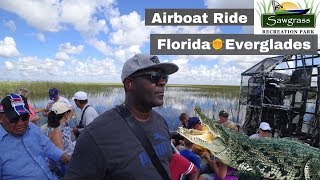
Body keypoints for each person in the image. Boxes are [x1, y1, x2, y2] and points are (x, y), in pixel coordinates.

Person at [64, 53, 179, 179]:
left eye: (164, 77)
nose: (162, 82)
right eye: (154, 76)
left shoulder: (160, 122)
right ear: (129, 83)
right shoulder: (97, 135)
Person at [0, 94, 70, 179]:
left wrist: (66, 157)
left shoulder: (32, 128)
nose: (21, 123)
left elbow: (49, 148)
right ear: (1, 117)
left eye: (25, 117)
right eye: (14, 118)